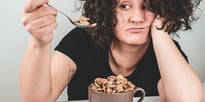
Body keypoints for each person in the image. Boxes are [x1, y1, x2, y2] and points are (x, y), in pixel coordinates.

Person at [19, 0, 204, 101]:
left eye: (148, 6)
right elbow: (37, 99)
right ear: (106, 10)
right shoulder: (81, 40)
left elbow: (188, 99)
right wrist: (39, 42)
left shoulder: (165, 52)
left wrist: (161, 31)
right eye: (124, 6)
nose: (137, 18)